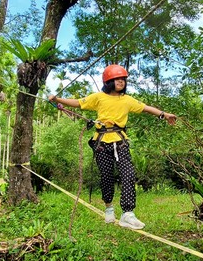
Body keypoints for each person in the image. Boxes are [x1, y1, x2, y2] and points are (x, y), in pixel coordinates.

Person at [49, 64, 177, 230]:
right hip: (101, 142)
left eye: (122, 79)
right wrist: (57, 99)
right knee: (106, 176)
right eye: (116, 79)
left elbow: (146, 108)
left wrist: (164, 114)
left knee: (128, 173)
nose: (120, 82)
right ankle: (109, 207)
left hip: (119, 141)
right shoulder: (98, 97)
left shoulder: (127, 100)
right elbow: (78, 103)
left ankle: (128, 213)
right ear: (109, 81)